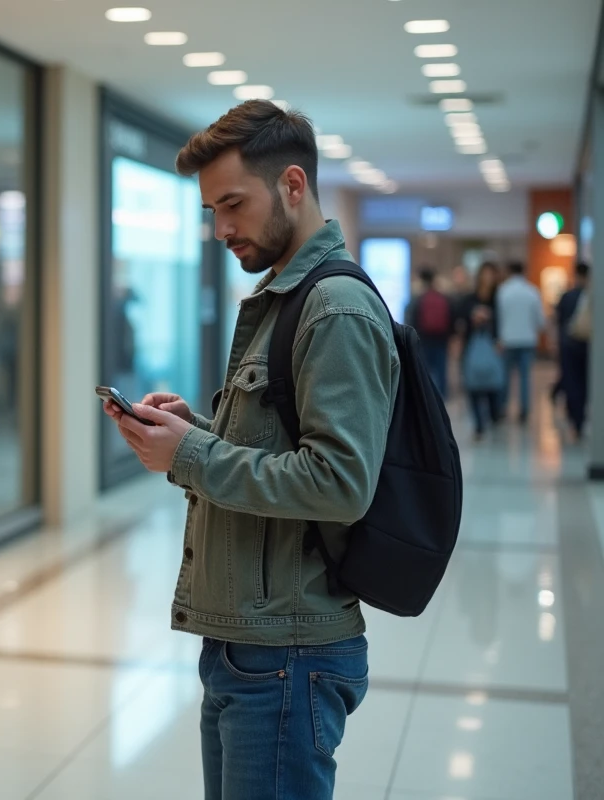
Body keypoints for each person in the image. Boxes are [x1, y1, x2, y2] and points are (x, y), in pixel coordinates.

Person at [102, 100, 397, 800]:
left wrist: (192, 457)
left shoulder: (335, 309)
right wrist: (193, 434)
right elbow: (287, 449)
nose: (221, 229)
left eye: (232, 204)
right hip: (251, 646)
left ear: (293, 186)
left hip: (289, 651)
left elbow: (339, 481)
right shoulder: (284, 299)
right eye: (210, 211)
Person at [495, 262, 547, 423]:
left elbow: (499, 317)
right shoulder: (532, 291)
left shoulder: (503, 291)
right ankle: (524, 410)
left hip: (507, 339)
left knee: (505, 376)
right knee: (525, 377)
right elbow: (540, 320)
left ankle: (502, 407)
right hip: (527, 340)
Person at [462, 264, 505, 439]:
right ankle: (479, 423)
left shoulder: (498, 298)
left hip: (493, 345)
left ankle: (494, 415)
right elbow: (461, 317)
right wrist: (473, 317)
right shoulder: (470, 299)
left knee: (493, 383)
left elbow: (503, 320)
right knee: (473, 383)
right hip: (472, 344)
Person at [555, 262, 591, 440]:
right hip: (587, 346)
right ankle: (579, 419)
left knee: (572, 382)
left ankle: (575, 419)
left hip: (569, 346)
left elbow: (559, 321)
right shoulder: (592, 296)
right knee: (583, 383)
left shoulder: (568, 296)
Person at [407, 267, 454, 397]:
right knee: (441, 369)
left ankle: (426, 395)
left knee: (425, 368)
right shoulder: (442, 296)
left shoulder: (418, 297)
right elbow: (450, 317)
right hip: (441, 338)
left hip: (423, 338)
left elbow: (411, 319)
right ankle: (442, 395)